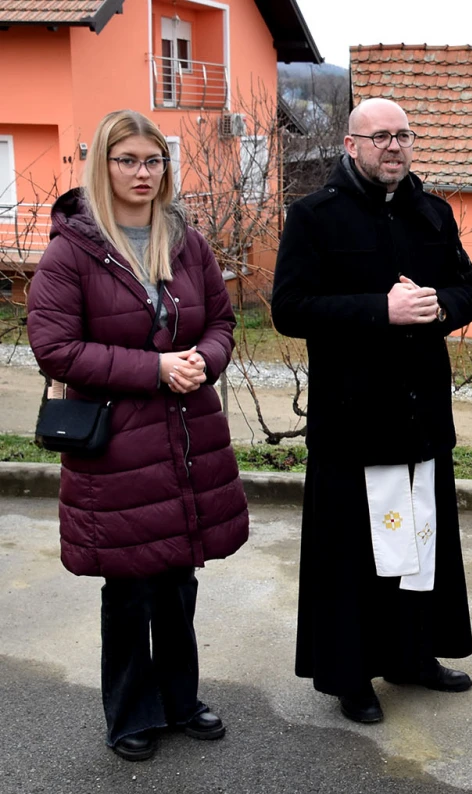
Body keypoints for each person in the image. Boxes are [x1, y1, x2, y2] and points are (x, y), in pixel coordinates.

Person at [26, 109, 248, 761]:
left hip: (187, 441)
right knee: (129, 590)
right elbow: (55, 348)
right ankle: (130, 714)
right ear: (103, 165)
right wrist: (153, 369)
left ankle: (181, 701)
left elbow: (223, 322)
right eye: (128, 160)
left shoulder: (189, 241)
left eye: (153, 161)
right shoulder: (73, 249)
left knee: (179, 584)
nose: (143, 173)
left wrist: (204, 359)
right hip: (118, 447)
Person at [272, 98, 472, 723]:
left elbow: (469, 290)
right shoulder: (314, 217)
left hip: (420, 415)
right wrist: (378, 310)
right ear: (351, 145)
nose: (394, 147)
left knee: (421, 545)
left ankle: (413, 656)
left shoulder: (433, 213)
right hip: (353, 419)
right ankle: (352, 674)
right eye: (381, 137)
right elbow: (290, 309)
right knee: (354, 555)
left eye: (404, 136)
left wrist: (439, 306)